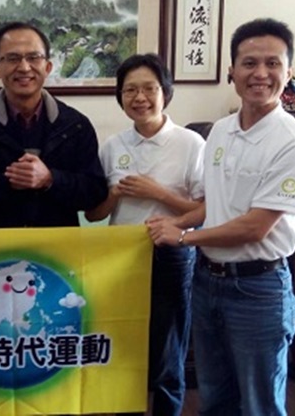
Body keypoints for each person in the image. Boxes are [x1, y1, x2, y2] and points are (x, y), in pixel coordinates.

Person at [146, 18, 295, 415]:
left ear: (288, 72)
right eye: (249, 63)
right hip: (208, 281)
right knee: (214, 397)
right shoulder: (220, 131)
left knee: (259, 404)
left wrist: (183, 237)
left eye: (273, 64)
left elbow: (256, 227)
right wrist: (177, 222)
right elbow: (217, 202)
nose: (261, 73)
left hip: (258, 289)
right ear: (232, 71)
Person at [85, 54, 204, 416]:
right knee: (122, 348)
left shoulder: (191, 143)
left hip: (171, 255)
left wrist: (159, 193)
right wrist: (115, 193)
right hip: (120, 257)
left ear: (165, 92)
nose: (140, 98)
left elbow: (206, 209)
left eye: (149, 89)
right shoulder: (112, 146)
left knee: (168, 352)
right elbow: (94, 213)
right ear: (120, 97)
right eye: (130, 90)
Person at [0, 21, 107, 227]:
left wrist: (50, 179)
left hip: (58, 246)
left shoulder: (76, 126)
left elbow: (94, 193)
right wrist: (6, 181)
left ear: (48, 67)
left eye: (33, 57)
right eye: (12, 58)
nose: (24, 67)